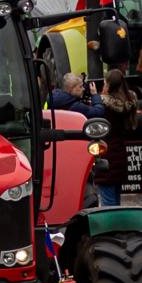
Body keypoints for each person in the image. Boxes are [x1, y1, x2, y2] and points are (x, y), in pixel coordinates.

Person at [51, 72, 120, 206]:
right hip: (75, 153)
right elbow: (97, 113)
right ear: (72, 89)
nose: (83, 89)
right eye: (81, 87)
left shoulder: (55, 98)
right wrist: (95, 96)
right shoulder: (73, 106)